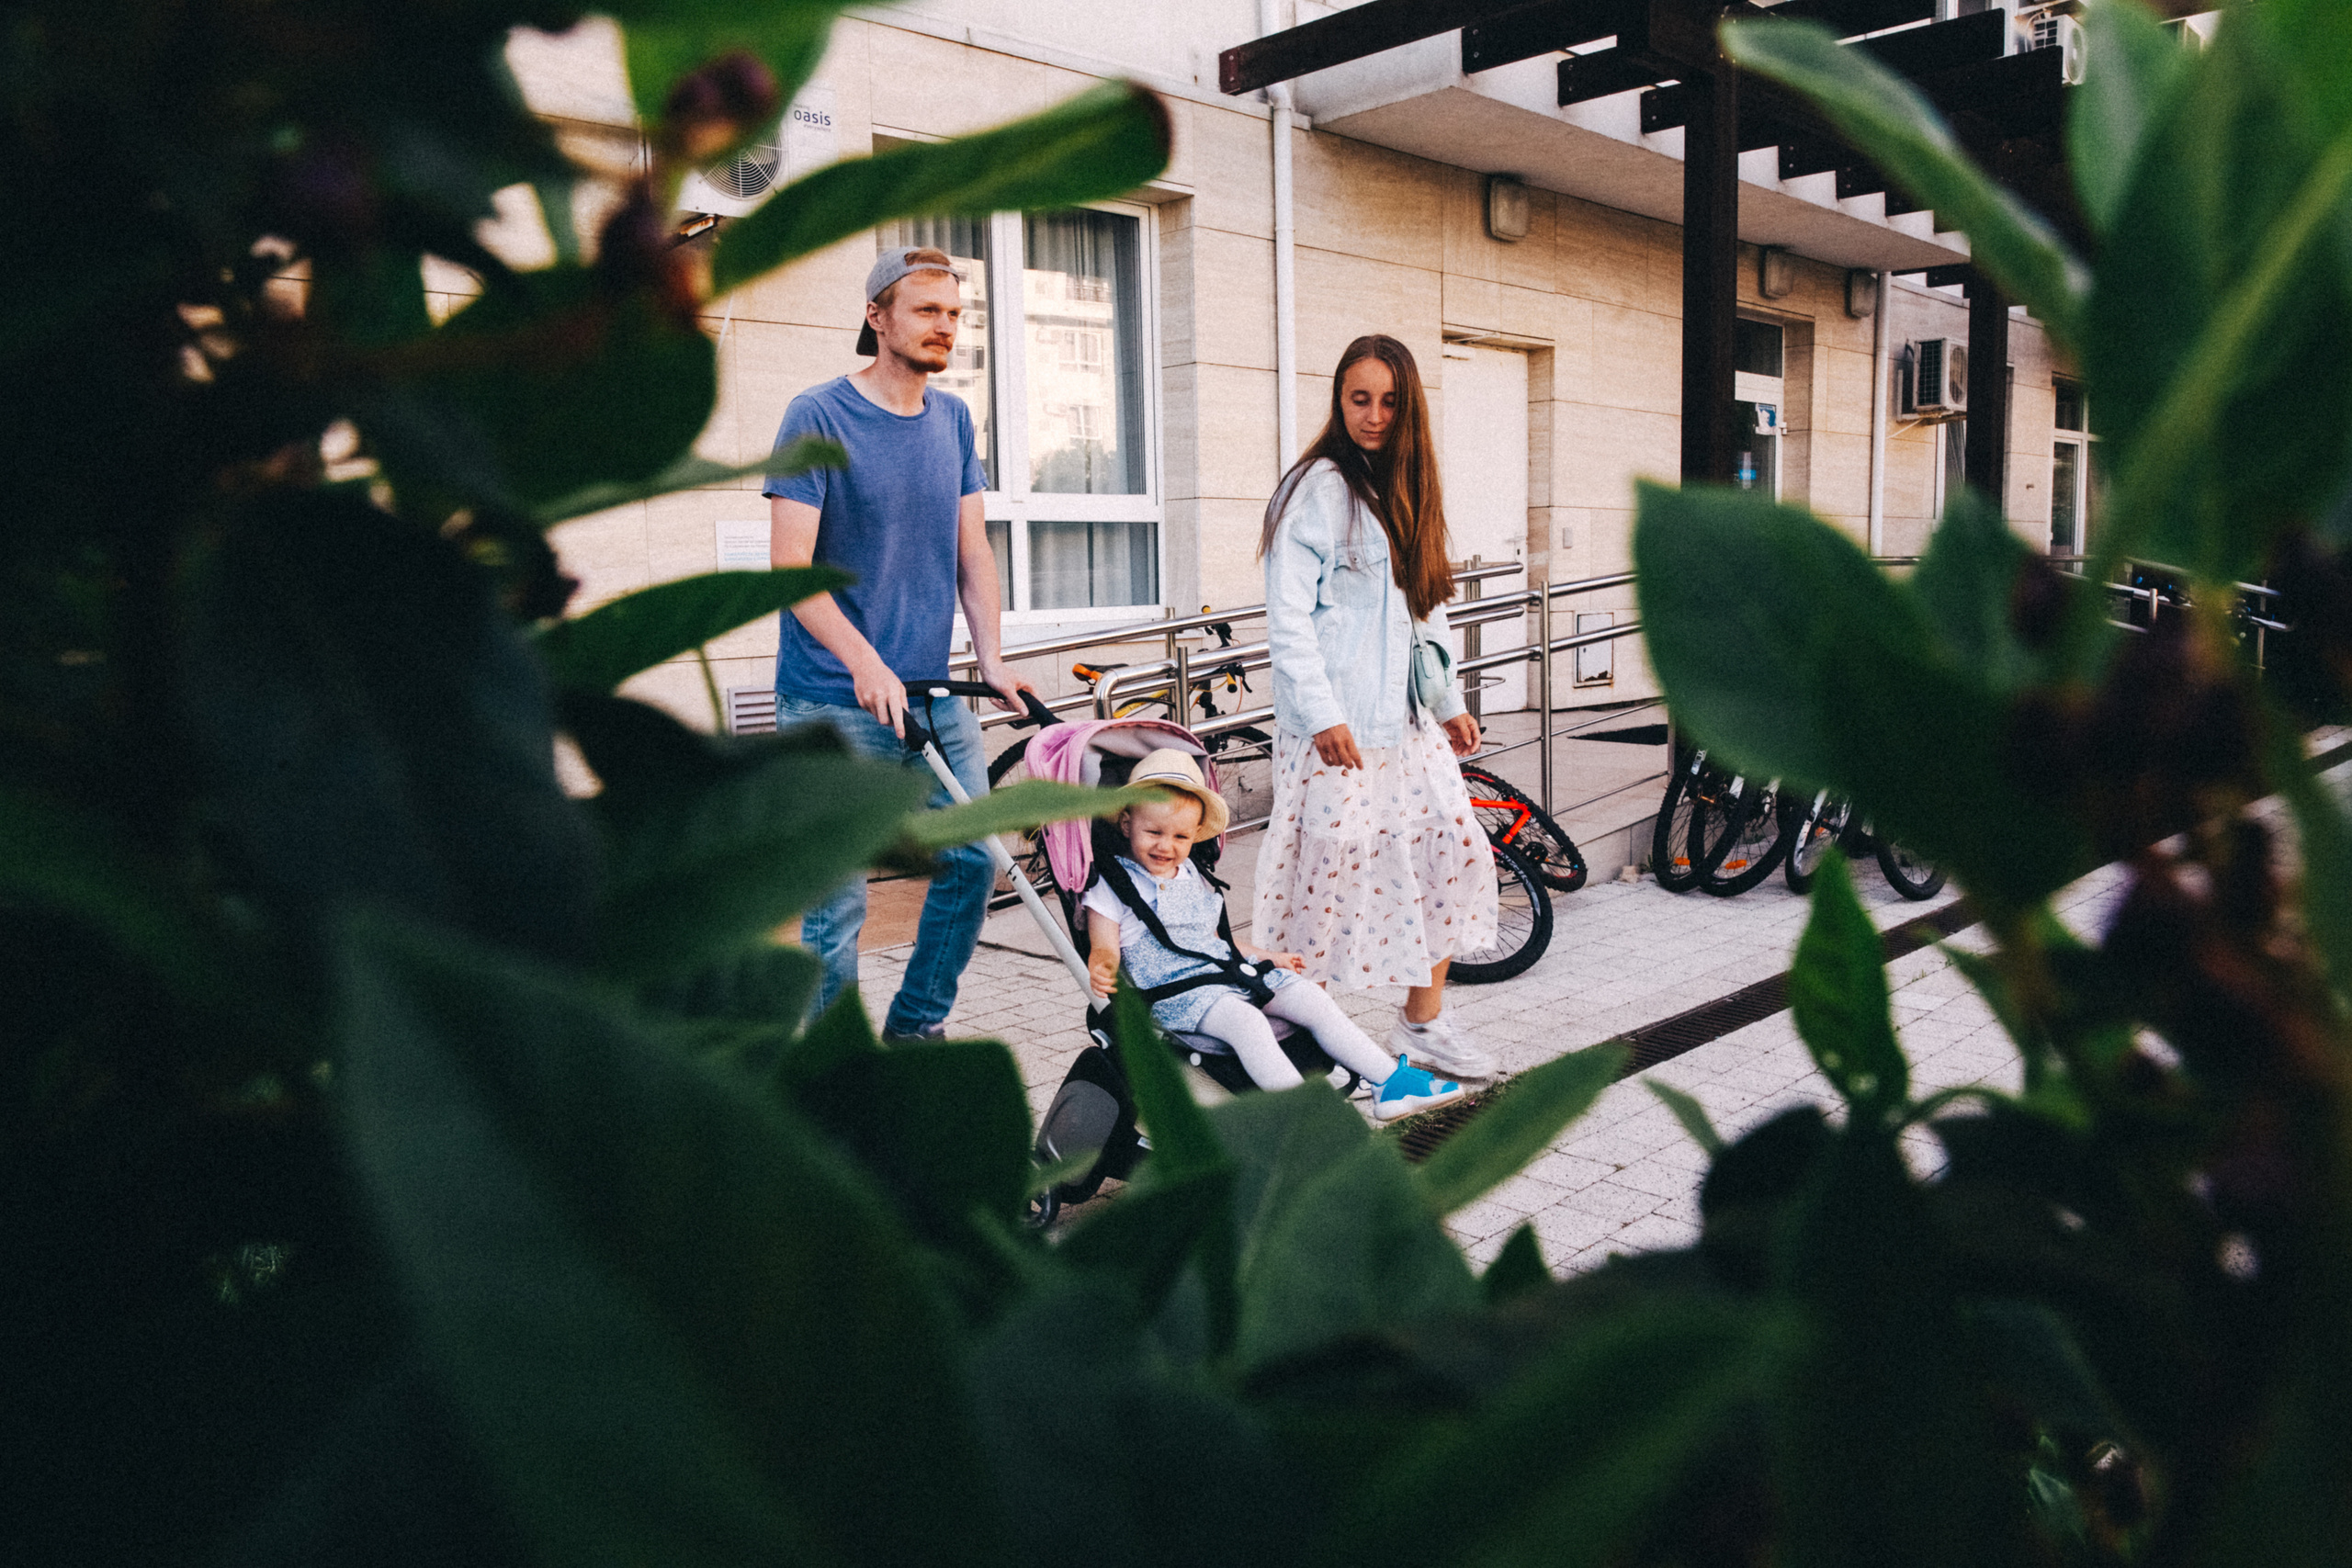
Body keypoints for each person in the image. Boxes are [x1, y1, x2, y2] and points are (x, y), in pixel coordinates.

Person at [766, 245, 1033, 1039]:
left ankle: (914, 1029)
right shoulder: (814, 415)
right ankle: (837, 1071)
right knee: (837, 896)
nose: (945, 327)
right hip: (830, 696)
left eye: (954, 313)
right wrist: (863, 658)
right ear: (877, 316)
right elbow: (789, 569)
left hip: (932, 692)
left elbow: (972, 551)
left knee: (975, 858)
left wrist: (990, 657)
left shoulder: (952, 419)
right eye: (927, 310)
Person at [1253, 333, 1501, 1078]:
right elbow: (1288, 618)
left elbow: (1425, 609)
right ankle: (1306, 1041)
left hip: (1407, 727)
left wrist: (1447, 698)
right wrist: (1322, 713)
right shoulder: (1318, 488)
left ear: (1410, 408)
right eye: (1359, 398)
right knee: (1326, 881)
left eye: (1389, 401)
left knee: (1453, 853)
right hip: (1338, 729)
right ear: (1339, 399)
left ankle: (1422, 1022)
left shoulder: (1406, 490)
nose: (1373, 414)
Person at [1083, 750, 1465, 1122]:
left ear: (1195, 836)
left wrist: (1267, 956)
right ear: (1126, 824)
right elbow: (1103, 945)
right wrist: (1102, 965)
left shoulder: (1193, 878)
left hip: (1224, 974)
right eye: (1154, 832)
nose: (1166, 846)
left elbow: (1217, 943)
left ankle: (1390, 1082)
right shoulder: (1114, 885)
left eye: (1180, 837)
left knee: (1310, 998)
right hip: (1176, 992)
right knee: (1249, 1023)